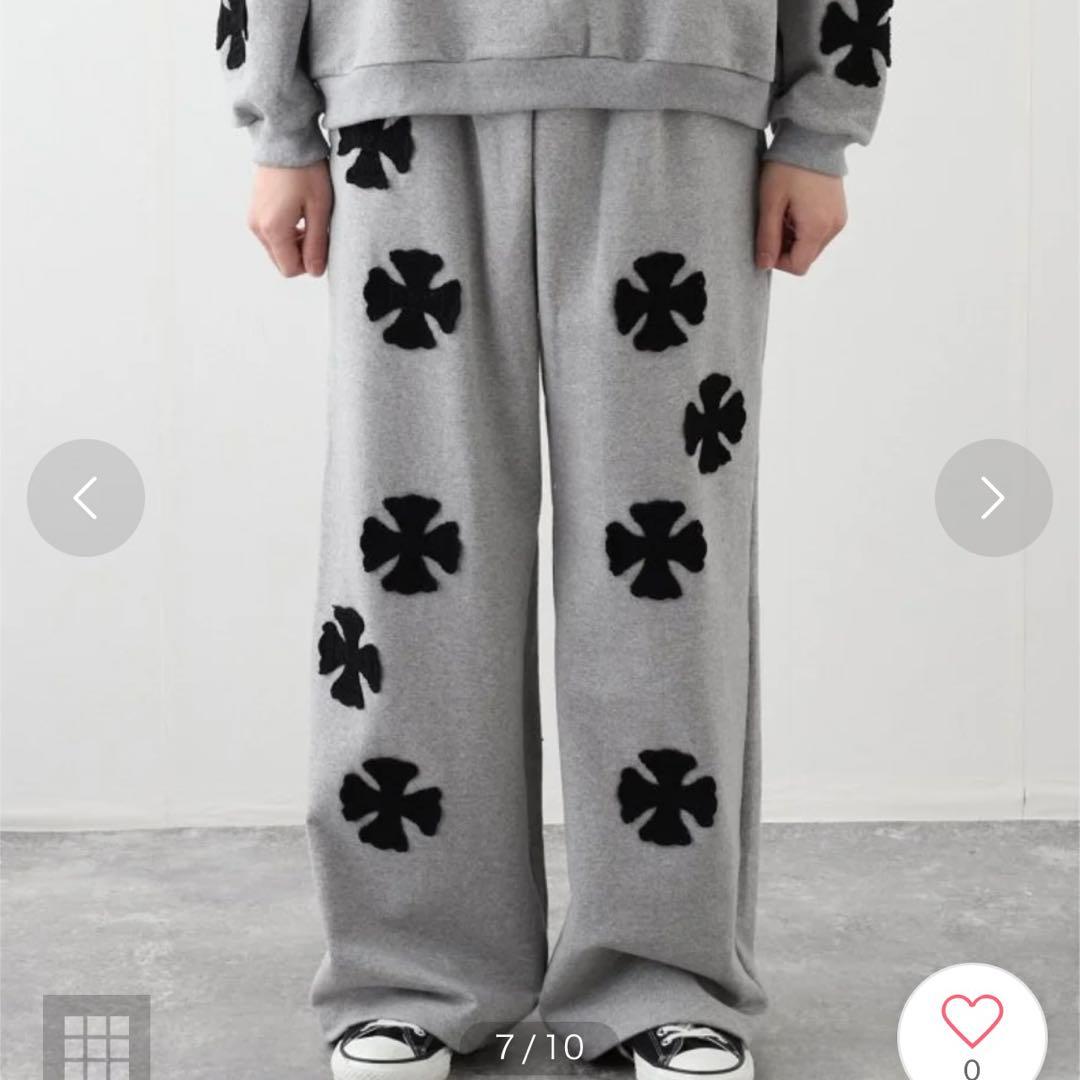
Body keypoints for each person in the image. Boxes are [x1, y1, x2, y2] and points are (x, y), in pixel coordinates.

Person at [218, 3, 890, 1078]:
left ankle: (664, 971)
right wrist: (276, 120)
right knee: (406, 563)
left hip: (681, 86)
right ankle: (409, 970)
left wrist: (823, 124)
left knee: (668, 565)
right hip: (400, 89)